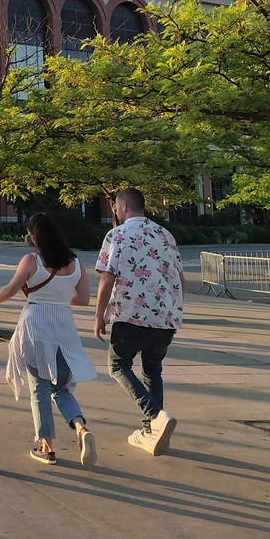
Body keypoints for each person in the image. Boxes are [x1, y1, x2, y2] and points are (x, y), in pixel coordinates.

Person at [0, 212, 98, 467]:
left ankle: (46, 447)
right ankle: (80, 428)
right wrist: (59, 297)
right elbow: (83, 299)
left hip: (35, 328)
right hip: (64, 329)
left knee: (39, 389)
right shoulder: (75, 263)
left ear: (33, 236)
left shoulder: (32, 260)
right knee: (60, 387)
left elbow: (11, 288)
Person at [94, 187, 184, 456]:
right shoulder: (166, 235)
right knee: (152, 369)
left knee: (118, 365)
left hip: (131, 315)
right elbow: (181, 278)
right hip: (164, 317)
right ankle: (150, 431)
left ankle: (154, 417)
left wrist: (99, 315)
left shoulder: (117, 235)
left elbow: (107, 277)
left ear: (122, 208)